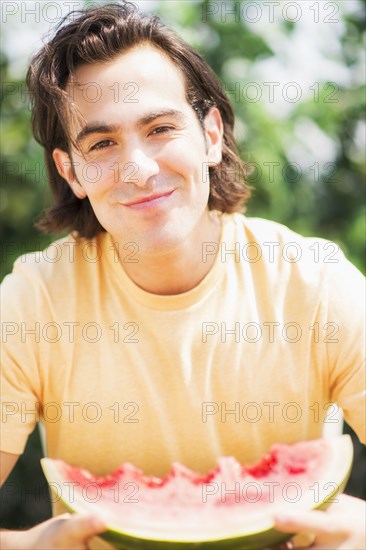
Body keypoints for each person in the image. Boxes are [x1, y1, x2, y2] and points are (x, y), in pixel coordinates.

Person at [1, 2, 365, 549]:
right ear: (71, 171)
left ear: (211, 134)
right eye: (102, 144)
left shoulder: (314, 284)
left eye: (161, 127)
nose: (140, 169)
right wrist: (29, 546)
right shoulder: (36, 301)